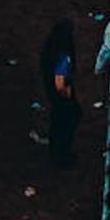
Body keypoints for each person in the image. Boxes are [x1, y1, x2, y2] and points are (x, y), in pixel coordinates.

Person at [41, 18, 82, 166]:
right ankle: (62, 155)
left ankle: (57, 153)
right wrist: (67, 94)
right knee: (68, 121)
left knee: (57, 123)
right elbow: (60, 83)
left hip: (52, 93)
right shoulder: (64, 56)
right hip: (61, 96)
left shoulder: (50, 50)